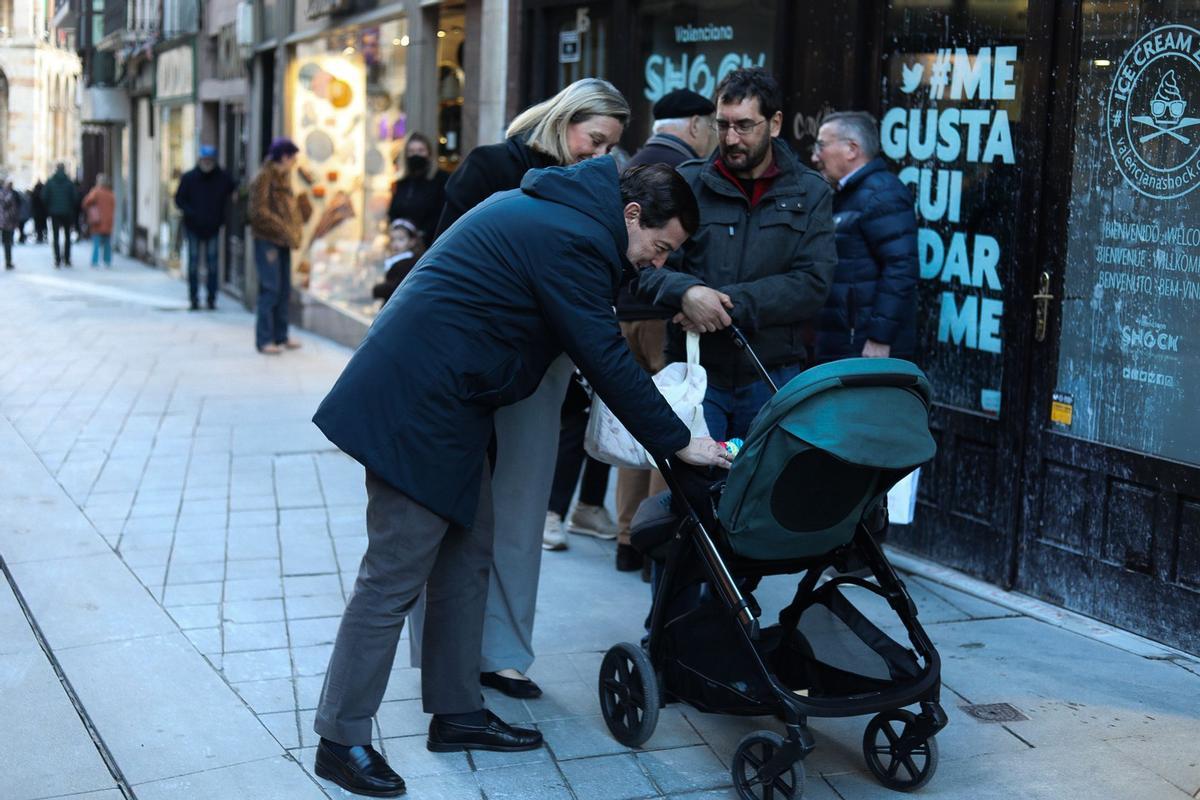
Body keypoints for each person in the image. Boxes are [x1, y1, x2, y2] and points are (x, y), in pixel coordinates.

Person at [310, 159, 727, 797]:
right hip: (415, 405)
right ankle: (340, 739)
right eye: (659, 247)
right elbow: (604, 353)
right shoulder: (572, 234)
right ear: (632, 216)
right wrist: (678, 442)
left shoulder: (573, 219)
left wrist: (679, 293)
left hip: (454, 403)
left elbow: (615, 292)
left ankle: (456, 713)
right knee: (393, 575)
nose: (657, 261)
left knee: (467, 556)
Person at [412, 78, 628, 701]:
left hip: (544, 370)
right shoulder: (492, 167)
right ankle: (441, 652)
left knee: (522, 507)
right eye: (593, 140)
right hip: (475, 365)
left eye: (610, 148)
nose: (598, 158)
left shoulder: (596, 191)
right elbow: (444, 266)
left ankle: (504, 652)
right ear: (564, 121)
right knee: (451, 509)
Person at [637, 68, 837, 443]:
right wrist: (686, 294)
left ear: (774, 123)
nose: (731, 138)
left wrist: (726, 304)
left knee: (760, 494)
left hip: (770, 373)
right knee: (693, 492)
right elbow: (645, 265)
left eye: (744, 126)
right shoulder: (687, 182)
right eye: (722, 125)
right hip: (695, 371)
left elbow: (813, 284)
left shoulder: (811, 193)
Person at [611, 88, 720, 573]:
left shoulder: (635, 165)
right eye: (717, 126)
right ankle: (655, 537)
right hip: (656, 317)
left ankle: (626, 536)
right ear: (697, 124)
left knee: (631, 420)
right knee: (666, 417)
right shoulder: (677, 178)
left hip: (620, 313)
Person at [810, 111, 919, 363]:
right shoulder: (848, 193)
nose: (815, 156)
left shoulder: (882, 194)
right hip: (845, 342)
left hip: (864, 348)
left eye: (821, 146)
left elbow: (901, 268)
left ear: (852, 149)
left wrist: (880, 338)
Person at [248, 137, 309, 354]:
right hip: (268, 241)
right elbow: (258, 212)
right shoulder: (264, 178)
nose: (295, 162)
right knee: (270, 289)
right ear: (285, 156)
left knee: (283, 289)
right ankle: (264, 340)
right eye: (293, 157)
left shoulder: (285, 178)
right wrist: (283, 228)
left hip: (284, 242)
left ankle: (280, 336)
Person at [176, 144, 238, 310]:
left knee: (212, 265)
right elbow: (179, 199)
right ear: (200, 159)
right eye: (205, 159)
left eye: (210, 159)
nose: (207, 162)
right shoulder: (189, 177)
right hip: (193, 227)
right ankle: (194, 299)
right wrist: (191, 213)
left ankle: (211, 299)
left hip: (213, 227)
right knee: (193, 264)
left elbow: (235, 189)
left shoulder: (222, 178)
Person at [626, 89, 717, 169]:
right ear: (695, 126)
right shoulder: (690, 172)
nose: (710, 133)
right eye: (709, 126)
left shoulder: (630, 164)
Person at [387, 133, 449, 244]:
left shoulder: (442, 179)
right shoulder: (402, 182)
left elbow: (441, 214)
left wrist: (421, 235)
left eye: (421, 151)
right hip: (403, 245)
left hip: (431, 244)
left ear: (429, 154)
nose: (416, 155)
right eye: (411, 151)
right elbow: (393, 213)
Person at [371, 218, 424, 304]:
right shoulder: (396, 260)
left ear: (412, 241)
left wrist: (378, 290)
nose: (395, 244)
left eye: (400, 239)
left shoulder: (408, 262)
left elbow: (397, 287)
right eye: (393, 239)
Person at [42, 164, 79, 267]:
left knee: (55, 236)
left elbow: (44, 196)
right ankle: (67, 259)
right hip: (67, 212)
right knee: (67, 236)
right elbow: (75, 197)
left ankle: (57, 259)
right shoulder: (69, 182)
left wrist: (50, 206)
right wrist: (70, 207)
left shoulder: (50, 182)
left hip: (54, 213)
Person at [81, 174, 116, 268]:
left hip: (97, 221)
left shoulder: (96, 192)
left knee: (96, 243)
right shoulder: (111, 193)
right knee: (107, 243)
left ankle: (95, 261)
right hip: (108, 221)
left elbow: (86, 202)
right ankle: (107, 261)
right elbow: (113, 207)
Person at [0, 180, 19, 269]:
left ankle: (8, 262)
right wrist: (14, 221)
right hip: (6, 222)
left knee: (7, 242)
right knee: (7, 242)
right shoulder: (9, 194)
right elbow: (13, 210)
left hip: (5, 221)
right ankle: (8, 262)